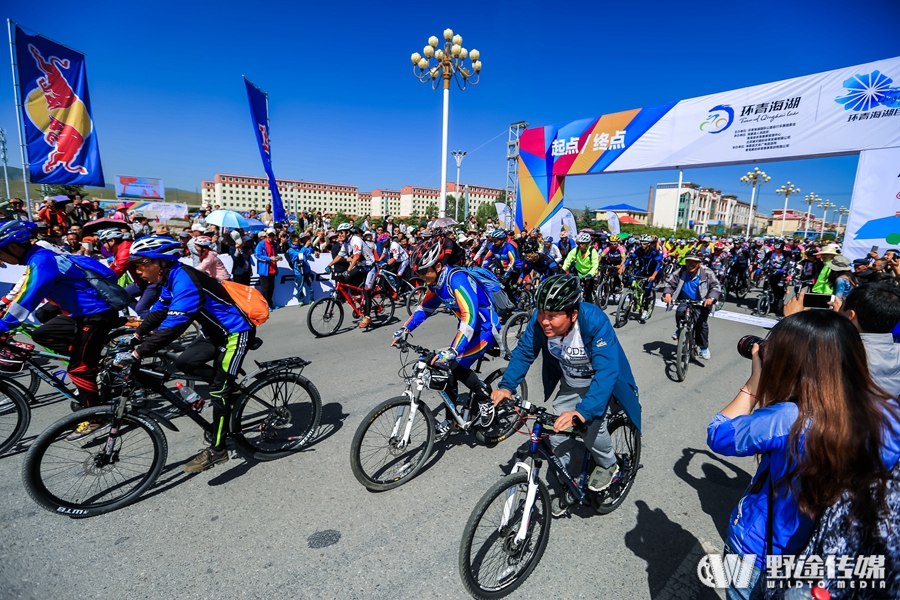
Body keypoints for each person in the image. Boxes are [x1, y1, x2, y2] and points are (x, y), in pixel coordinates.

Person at [707, 310, 900, 599]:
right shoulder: (890, 415)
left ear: (791, 362)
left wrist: (754, 383)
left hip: (762, 550)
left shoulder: (787, 420)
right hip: (829, 556)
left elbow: (719, 434)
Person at [491, 274, 640, 516]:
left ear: (572, 314)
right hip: (571, 384)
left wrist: (582, 412)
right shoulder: (538, 323)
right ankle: (574, 475)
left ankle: (608, 463)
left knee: (590, 425)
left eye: (552, 316)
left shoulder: (593, 321)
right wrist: (507, 386)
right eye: (541, 313)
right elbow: (524, 352)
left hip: (604, 384)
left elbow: (606, 372)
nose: (544, 321)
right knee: (557, 433)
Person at [118, 236, 255, 473]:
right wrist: (136, 336)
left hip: (235, 332)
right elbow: (158, 312)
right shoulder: (169, 278)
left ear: (160, 262)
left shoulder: (185, 280)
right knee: (183, 362)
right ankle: (231, 388)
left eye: (141, 264)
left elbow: (175, 325)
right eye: (135, 265)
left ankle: (218, 449)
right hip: (214, 334)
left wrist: (139, 352)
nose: (137, 270)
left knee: (218, 392)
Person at [0, 221, 120, 438]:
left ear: (14, 247)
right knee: (41, 334)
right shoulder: (38, 257)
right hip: (79, 313)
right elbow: (20, 293)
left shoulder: (41, 261)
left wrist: (3, 327)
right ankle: (92, 361)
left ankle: (95, 418)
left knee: (78, 369)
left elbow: (26, 299)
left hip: (96, 315)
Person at [393, 238, 502, 433]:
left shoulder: (456, 279)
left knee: (456, 366)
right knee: (444, 370)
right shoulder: (436, 282)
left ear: (438, 265)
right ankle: (451, 421)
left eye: (425, 271)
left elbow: (469, 315)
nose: (421, 276)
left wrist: (453, 350)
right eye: (418, 272)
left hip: (485, 328)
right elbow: (424, 309)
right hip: (468, 328)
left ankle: (486, 400)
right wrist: (405, 330)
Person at [661, 250, 721, 360]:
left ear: (699, 263)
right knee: (680, 312)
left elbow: (716, 286)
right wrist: (668, 294)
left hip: (702, 302)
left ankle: (703, 347)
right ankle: (680, 329)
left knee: (701, 324)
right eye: (688, 261)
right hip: (684, 300)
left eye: (694, 262)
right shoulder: (680, 271)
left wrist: (711, 298)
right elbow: (670, 283)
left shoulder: (707, 272)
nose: (690, 265)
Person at [96, 228, 161, 319]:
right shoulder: (120, 248)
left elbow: (115, 273)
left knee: (141, 308)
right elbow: (113, 268)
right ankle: (148, 318)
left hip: (152, 282)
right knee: (123, 295)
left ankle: (156, 329)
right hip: (141, 282)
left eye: (103, 242)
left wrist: (98, 282)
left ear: (112, 241)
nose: (103, 246)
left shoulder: (125, 251)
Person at [326, 223, 378, 327]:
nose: (339, 235)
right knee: (346, 278)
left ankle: (367, 317)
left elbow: (357, 257)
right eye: (338, 233)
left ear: (348, 232)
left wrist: (348, 269)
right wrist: (329, 265)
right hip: (361, 267)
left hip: (370, 267)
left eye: (341, 233)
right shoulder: (346, 243)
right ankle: (358, 297)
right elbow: (340, 255)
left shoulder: (355, 240)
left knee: (367, 291)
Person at [619, 234, 663, 321]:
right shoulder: (639, 250)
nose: (642, 244)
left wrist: (653, 276)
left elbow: (659, 264)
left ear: (649, 243)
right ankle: (632, 297)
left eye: (645, 243)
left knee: (647, 290)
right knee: (631, 281)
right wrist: (622, 266)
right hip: (641, 271)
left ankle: (646, 310)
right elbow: (630, 258)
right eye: (641, 243)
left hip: (651, 273)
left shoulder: (654, 252)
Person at [563, 232, 600, 302]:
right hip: (578, 272)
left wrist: (590, 274)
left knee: (588, 294)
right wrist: (562, 270)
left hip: (589, 274)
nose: (580, 245)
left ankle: (589, 309)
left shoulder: (592, 251)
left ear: (588, 244)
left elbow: (595, 264)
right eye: (579, 243)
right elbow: (568, 260)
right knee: (571, 291)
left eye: (583, 244)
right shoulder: (576, 250)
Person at [286, 233, 316, 305]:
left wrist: (311, 246)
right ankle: (300, 300)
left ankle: (311, 300)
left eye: (298, 240)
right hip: (298, 271)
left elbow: (309, 251)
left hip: (306, 269)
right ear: (292, 242)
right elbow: (298, 255)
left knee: (310, 286)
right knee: (300, 287)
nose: (298, 242)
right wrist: (305, 246)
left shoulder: (302, 247)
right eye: (296, 241)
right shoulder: (291, 250)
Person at [255, 228, 280, 310]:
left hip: (272, 269)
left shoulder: (275, 244)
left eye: (273, 235)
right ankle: (265, 305)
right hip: (264, 270)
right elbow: (257, 255)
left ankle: (270, 303)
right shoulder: (261, 244)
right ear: (266, 235)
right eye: (270, 235)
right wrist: (269, 259)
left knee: (271, 288)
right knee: (265, 289)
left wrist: (277, 258)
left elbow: (274, 254)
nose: (271, 237)